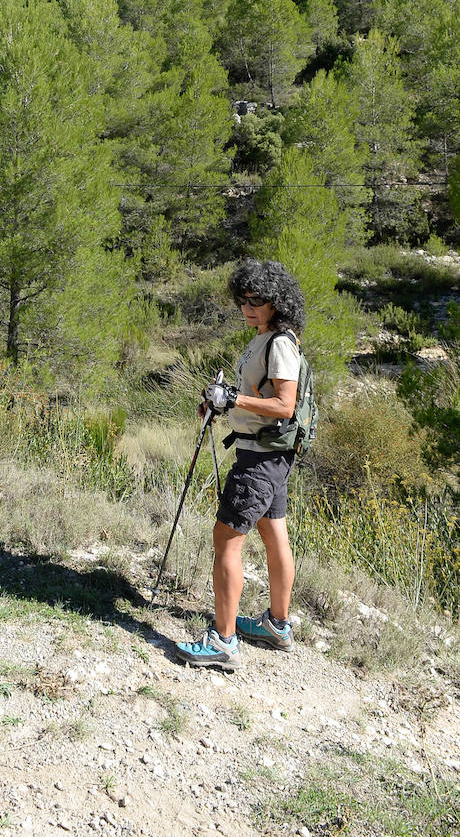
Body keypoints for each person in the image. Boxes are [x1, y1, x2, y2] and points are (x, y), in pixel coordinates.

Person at [175, 258, 304, 670]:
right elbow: (255, 394)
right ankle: (276, 627)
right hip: (268, 454)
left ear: (277, 302)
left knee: (226, 538)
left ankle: (223, 642)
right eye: (242, 300)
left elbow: (285, 405)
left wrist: (233, 400)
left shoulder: (279, 342)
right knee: (274, 537)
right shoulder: (263, 337)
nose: (248, 306)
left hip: (261, 459)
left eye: (257, 300)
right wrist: (220, 400)